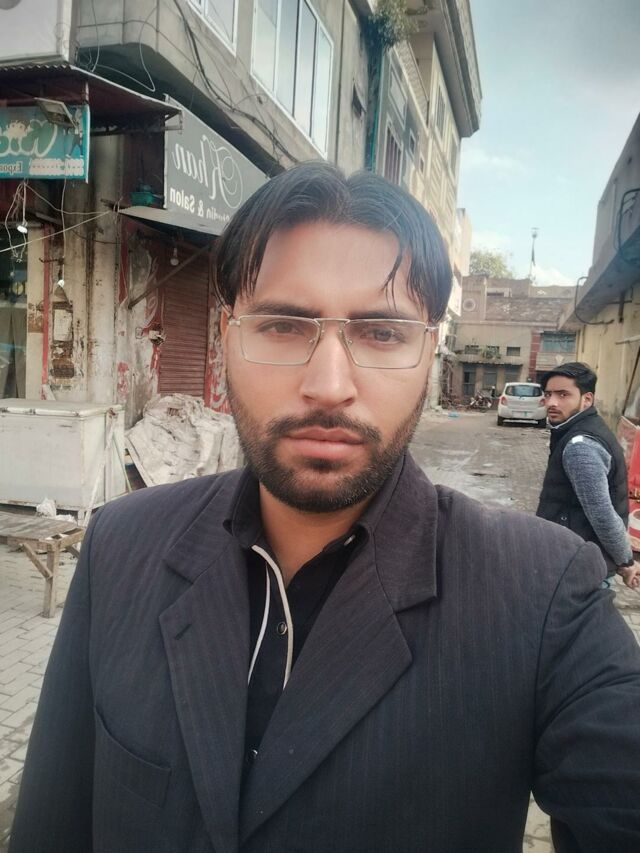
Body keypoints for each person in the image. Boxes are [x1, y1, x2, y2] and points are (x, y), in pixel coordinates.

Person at [10, 164, 640, 853]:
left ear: (428, 353)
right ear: (225, 338)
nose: (329, 385)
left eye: (382, 332)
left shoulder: (541, 593)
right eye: (283, 325)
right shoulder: (122, 545)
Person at [536, 362, 640, 589]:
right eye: (548, 394)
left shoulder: (580, 446)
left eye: (563, 394)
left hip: (577, 569)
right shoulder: (582, 429)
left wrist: (626, 561)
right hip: (577, 558)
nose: (552, 402)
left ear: (587, 399)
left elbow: (603, 516)